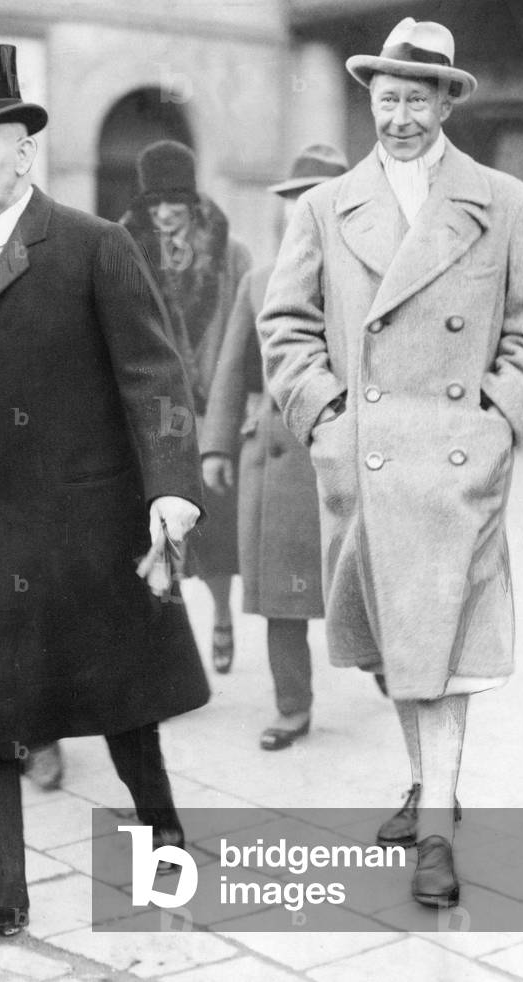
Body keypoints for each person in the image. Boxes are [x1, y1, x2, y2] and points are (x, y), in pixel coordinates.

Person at [259, 18, 523, 908]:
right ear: (371, 100)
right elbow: (284, 327)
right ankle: (425, 782)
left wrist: (500, 420)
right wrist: (325, 418)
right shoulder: (324, 206)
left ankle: (435, 820)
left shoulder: (506, 202)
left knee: (450, 645)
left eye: (415, 99)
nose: (397, 115)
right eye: (385, 98)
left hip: (458, 463)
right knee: (399, 644)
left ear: (445, 102)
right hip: (367, 459)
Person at [0, 43, 209, 953]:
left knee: (121, 707)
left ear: (22, 152)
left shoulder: (91, 245)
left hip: (83, 524)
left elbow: (156, 373)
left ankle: (164, 847)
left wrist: (170, 491)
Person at [201, 145, 347, 750]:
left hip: (352, 454)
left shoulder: (376, 278)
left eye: (313, 201)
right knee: (280, 593)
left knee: (369, 579)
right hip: (277, 455)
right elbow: (233, 369)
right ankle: (293, 705)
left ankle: (391, 664)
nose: (299, 212)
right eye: (293, 201)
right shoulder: (260, 281)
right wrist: (215, 447)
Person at [121, 141, 251, 673]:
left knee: (215, 533)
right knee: (156, 530)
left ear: (193, 202)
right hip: (152, 416)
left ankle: (221, 614)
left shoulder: (231, 253)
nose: (166, 212)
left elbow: (246, 337)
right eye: (156, 204)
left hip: (214, 412)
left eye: (176, 201)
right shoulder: (123, 249)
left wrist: (233, 406)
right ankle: (169, 643)